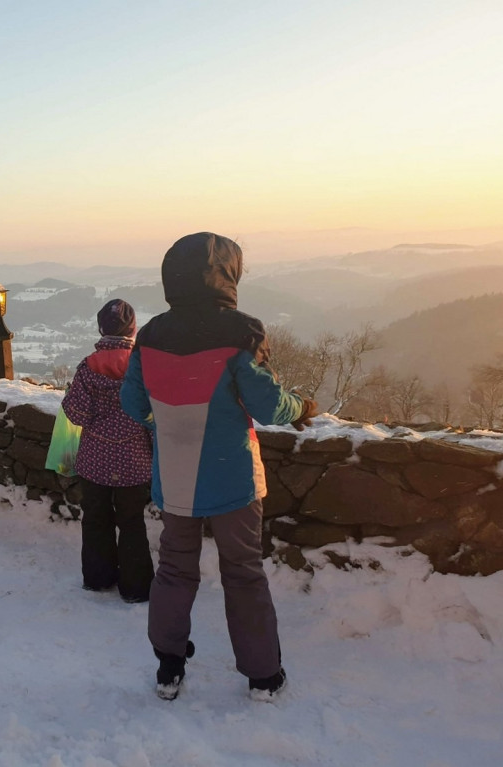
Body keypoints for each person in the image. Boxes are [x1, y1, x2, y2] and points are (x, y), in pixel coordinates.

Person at [120, 232, 317, 702]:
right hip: (232, 476)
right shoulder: (240, 332)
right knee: (243, 573)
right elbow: (269, 406)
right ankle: (263, 676)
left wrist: (167, 418)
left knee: (173, 570)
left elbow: (133, 404)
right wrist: (304, 406)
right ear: (228, 274)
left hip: (175, 474)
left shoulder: (150, 336)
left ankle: (168, 669)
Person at [61, 299, 154, 603]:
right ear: (132, 328)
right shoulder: (143, 367)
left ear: (101, 328)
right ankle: (136, 587)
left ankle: (98, 578)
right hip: (135, 459)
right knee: (131, 522)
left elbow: (76, 413)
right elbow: (153, 414)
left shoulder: (88, 367)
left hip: (95, 459)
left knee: (96, 518)